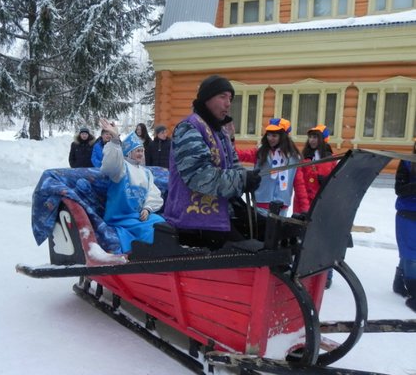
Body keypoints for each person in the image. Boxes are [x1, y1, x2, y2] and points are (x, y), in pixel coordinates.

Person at [164, 75, 261, 249]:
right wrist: (241, 180)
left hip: (221, 215)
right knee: (251, 256)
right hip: (193, 222)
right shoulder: (189, 127)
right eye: (222, 96)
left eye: (230, 98)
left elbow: (235, 166)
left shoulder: (220, 133)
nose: (228, 103)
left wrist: (245, 178)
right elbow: (199, 176)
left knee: (269, 236)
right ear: (206, 99)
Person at [99, 118, 166, 254]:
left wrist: (147, 209)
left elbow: (153, 193)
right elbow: (110, 165)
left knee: (161, 223)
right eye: (137, 151)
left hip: (138, 216)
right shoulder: (121, 168)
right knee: (150, 231)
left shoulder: (146, 173)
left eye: (142, 151)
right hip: (120, 217)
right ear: (128, 152)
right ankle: (148, 257)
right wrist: (115, 140)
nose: (141, 154)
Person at [293, 125, 338, 288]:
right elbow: (299, 183)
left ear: (323, 140)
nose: (312, 140)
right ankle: (300, 271)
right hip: (303, 205)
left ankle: (325, 274)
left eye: (315, 137)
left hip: (322, 206)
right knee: (302, 239)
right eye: (310, 137)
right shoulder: (303, 158)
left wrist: (325, 183)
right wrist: (305, 205)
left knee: (322, 240)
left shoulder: (331, 160)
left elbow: (336, 183)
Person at [237, 118, 308, 217]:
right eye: (269, 135)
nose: (270, 138)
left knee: (277, 232)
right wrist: (226, 148)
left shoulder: (294, 158)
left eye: (274, 135)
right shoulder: (261, 152)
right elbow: (241, 154)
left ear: (283, 137)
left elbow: (299, 184)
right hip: (261, 205)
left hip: (282, 208)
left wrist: (305, 208)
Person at [393, 139, 416, 312]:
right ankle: (414, 293)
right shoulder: (407, 161)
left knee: (409, 253)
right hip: (408, 213)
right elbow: (399, 189)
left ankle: (399, 283)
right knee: (411, 254)